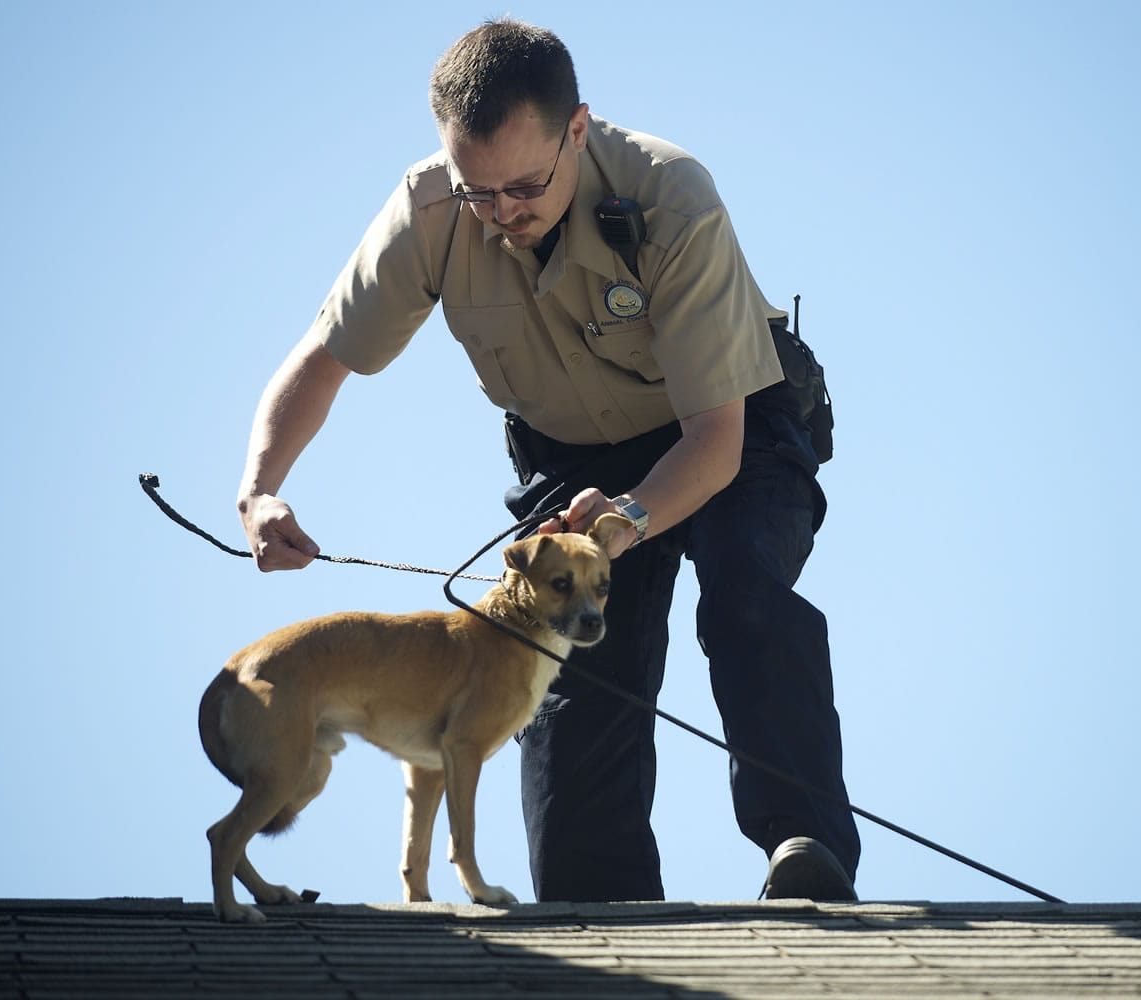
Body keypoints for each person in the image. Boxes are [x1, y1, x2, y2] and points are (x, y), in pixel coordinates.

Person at [236, 17, 860, 903]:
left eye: (525, 186)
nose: (502, 214)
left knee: (750, 603)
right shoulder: (426, 211)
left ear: (578, 128)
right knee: (553, 665)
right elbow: (322, 358)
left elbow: (714, 442)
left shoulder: (670, 194)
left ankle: (806, 851)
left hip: (728, 432)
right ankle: (594, 914)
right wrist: (260, 491)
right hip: (570, 456)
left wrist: (626, 523)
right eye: (476, 192)